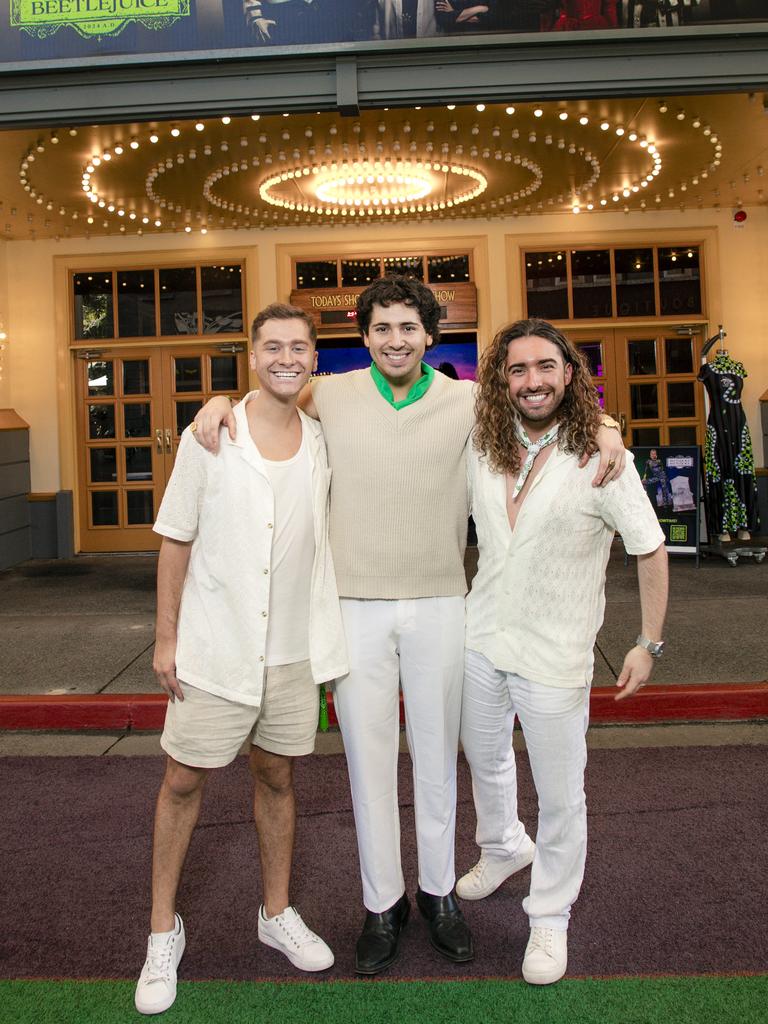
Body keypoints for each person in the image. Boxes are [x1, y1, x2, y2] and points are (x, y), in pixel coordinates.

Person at [193, 277, 626, 976]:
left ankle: (437, 897)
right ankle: (381, 904)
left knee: (436, 758)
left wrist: (607, 426)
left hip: (439, 603)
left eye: (409, 328)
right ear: (363, 336)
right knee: (367, 763)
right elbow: (266, 404)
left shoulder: (467, 401)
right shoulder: (329, 392)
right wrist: (218, 401)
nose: (396, 339)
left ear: (429, 336)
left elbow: (548, 411)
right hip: (354, 606)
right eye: (382, 328)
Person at [135, 303, 347, 1015]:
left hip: (293, 655)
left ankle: (275, 912)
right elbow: (175, 539)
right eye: (273, 347)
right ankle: (162, 930)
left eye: (300, 348)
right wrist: (166, 640)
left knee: (277, 779)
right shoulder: (212, 434)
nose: (287, 358)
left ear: (314, 358)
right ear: (252, 356)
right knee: (183, 783)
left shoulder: (324, 439)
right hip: (214, 648)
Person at [457, 317, 667, 986]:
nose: (532, 380)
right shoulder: (483, 443)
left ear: (568, 373)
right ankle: (502, 847)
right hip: (482, 635)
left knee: (560, 793)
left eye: (545, 366)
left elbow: (650, 547)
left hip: (555, 651)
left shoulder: (603, 457)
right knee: (485, 760)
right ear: (502, 380)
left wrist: (647, 642)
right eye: (517, 370)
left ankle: (549, 915)